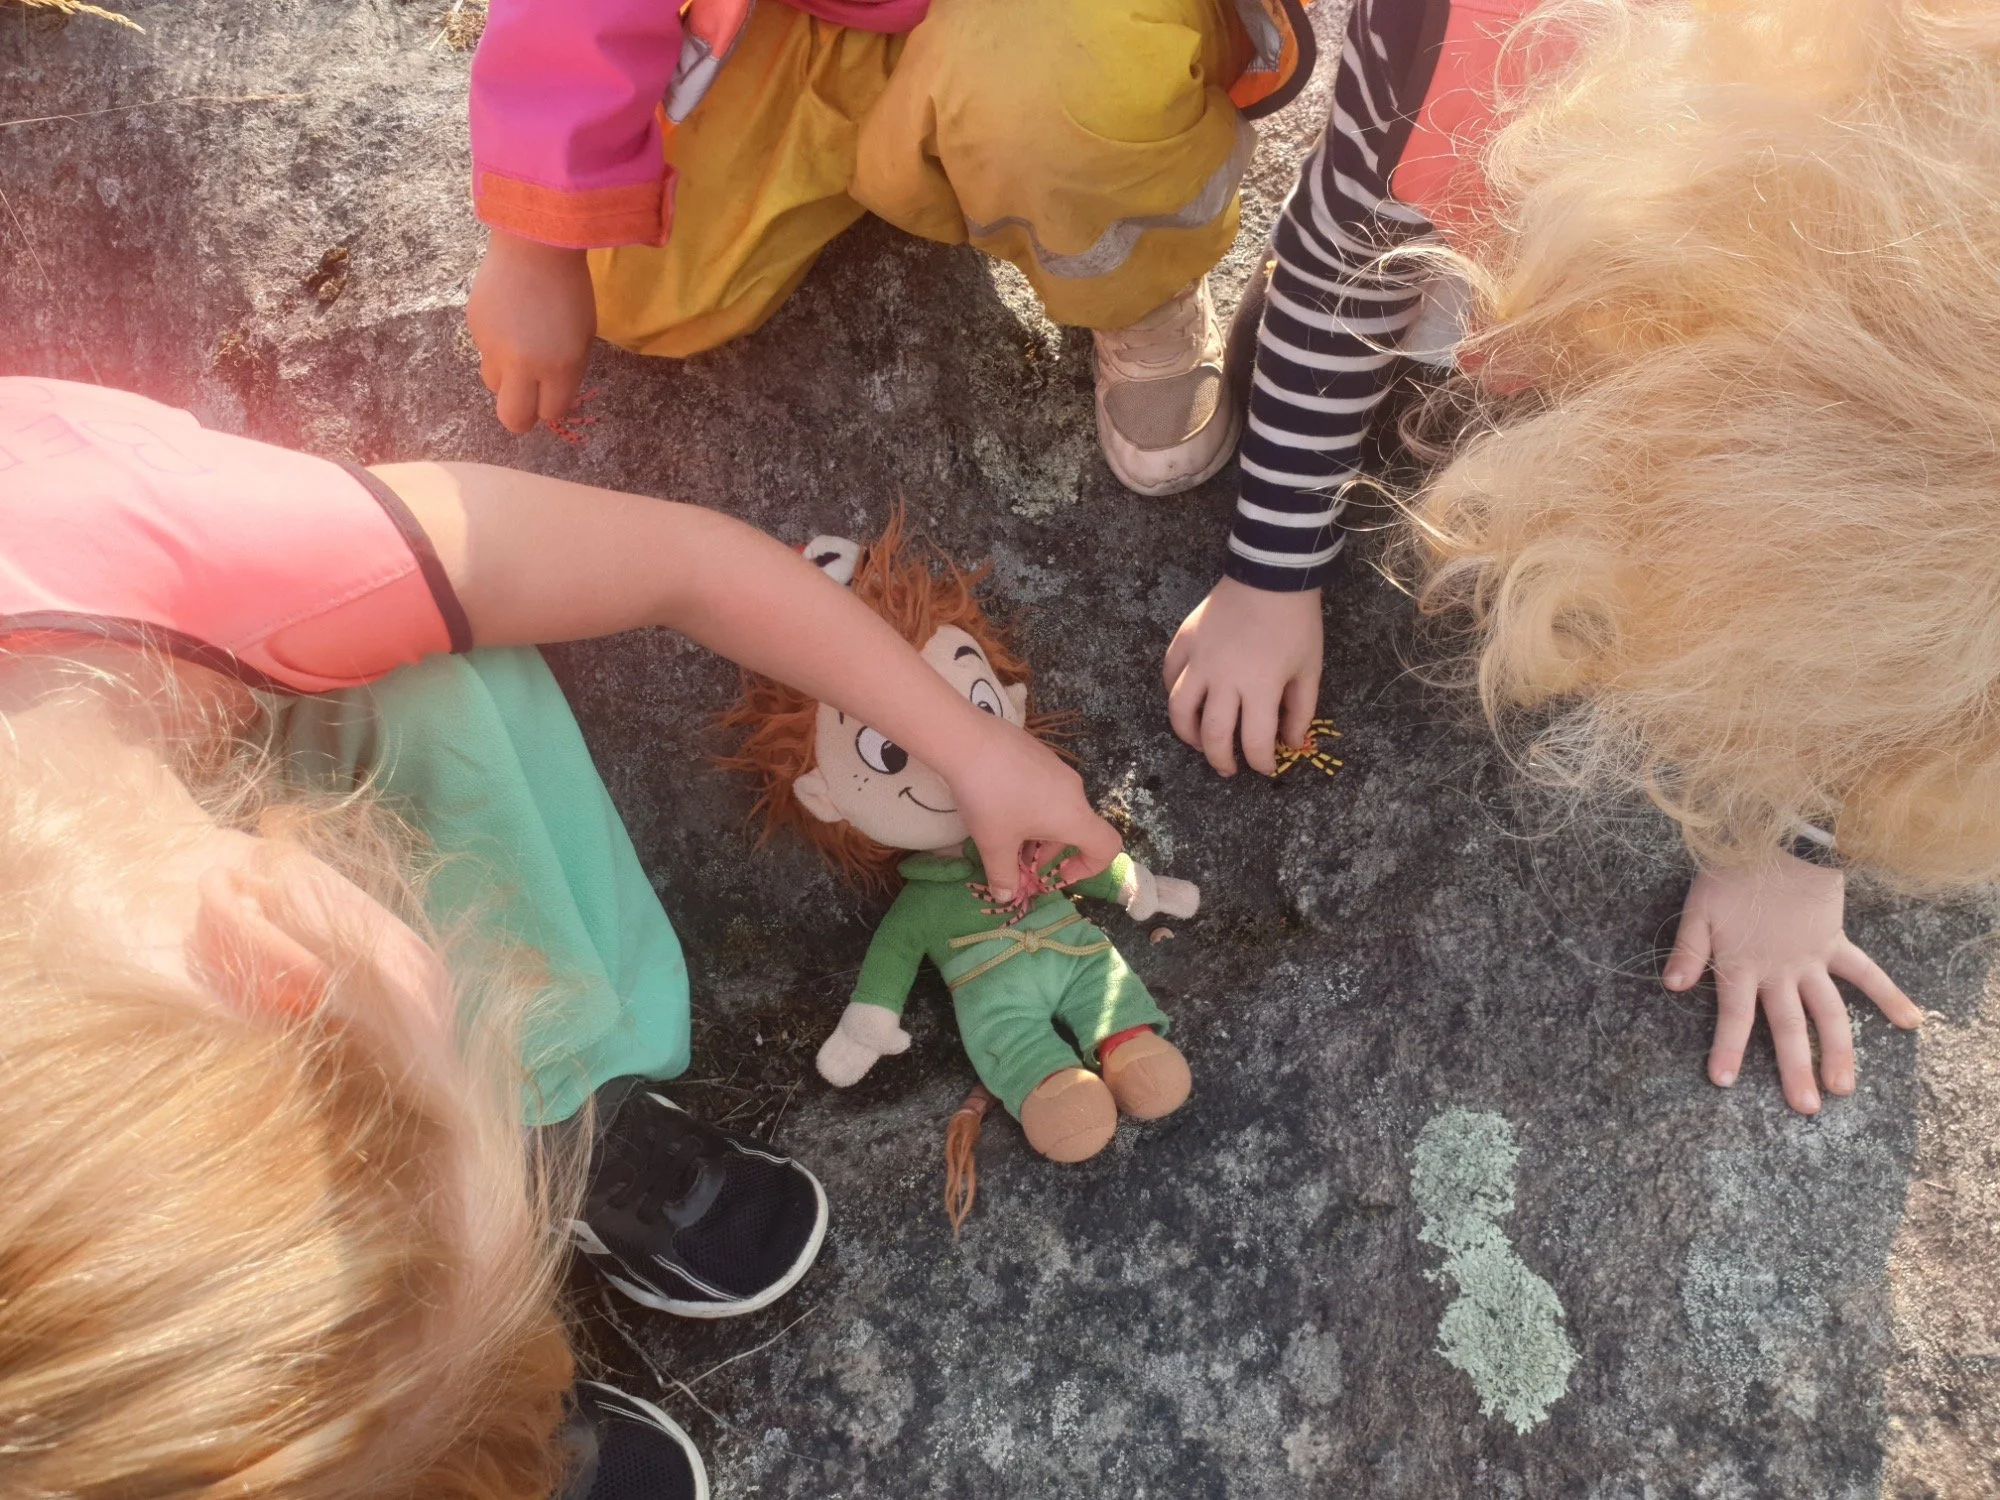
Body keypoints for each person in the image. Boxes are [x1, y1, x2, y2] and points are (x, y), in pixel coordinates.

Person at [0, 375, 1122, 1498]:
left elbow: (683, 563)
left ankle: (559, 1101)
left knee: (431, 672)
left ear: (297, 953)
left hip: (183, 642)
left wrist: (967, 746)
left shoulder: (233, 547)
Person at [1162, 0, 1996, 1114]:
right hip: (1490, 223)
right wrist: (1269, 570)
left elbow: (1919, 677)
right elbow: (1337, 275)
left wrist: (1793, 843)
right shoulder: (1454, 50)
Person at [462, 0, 1314, 495]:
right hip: (804, 20)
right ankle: (898, 147)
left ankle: (1139, 288)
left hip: (1052, 25)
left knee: (1068, 97)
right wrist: (538, 237)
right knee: (629, 286)